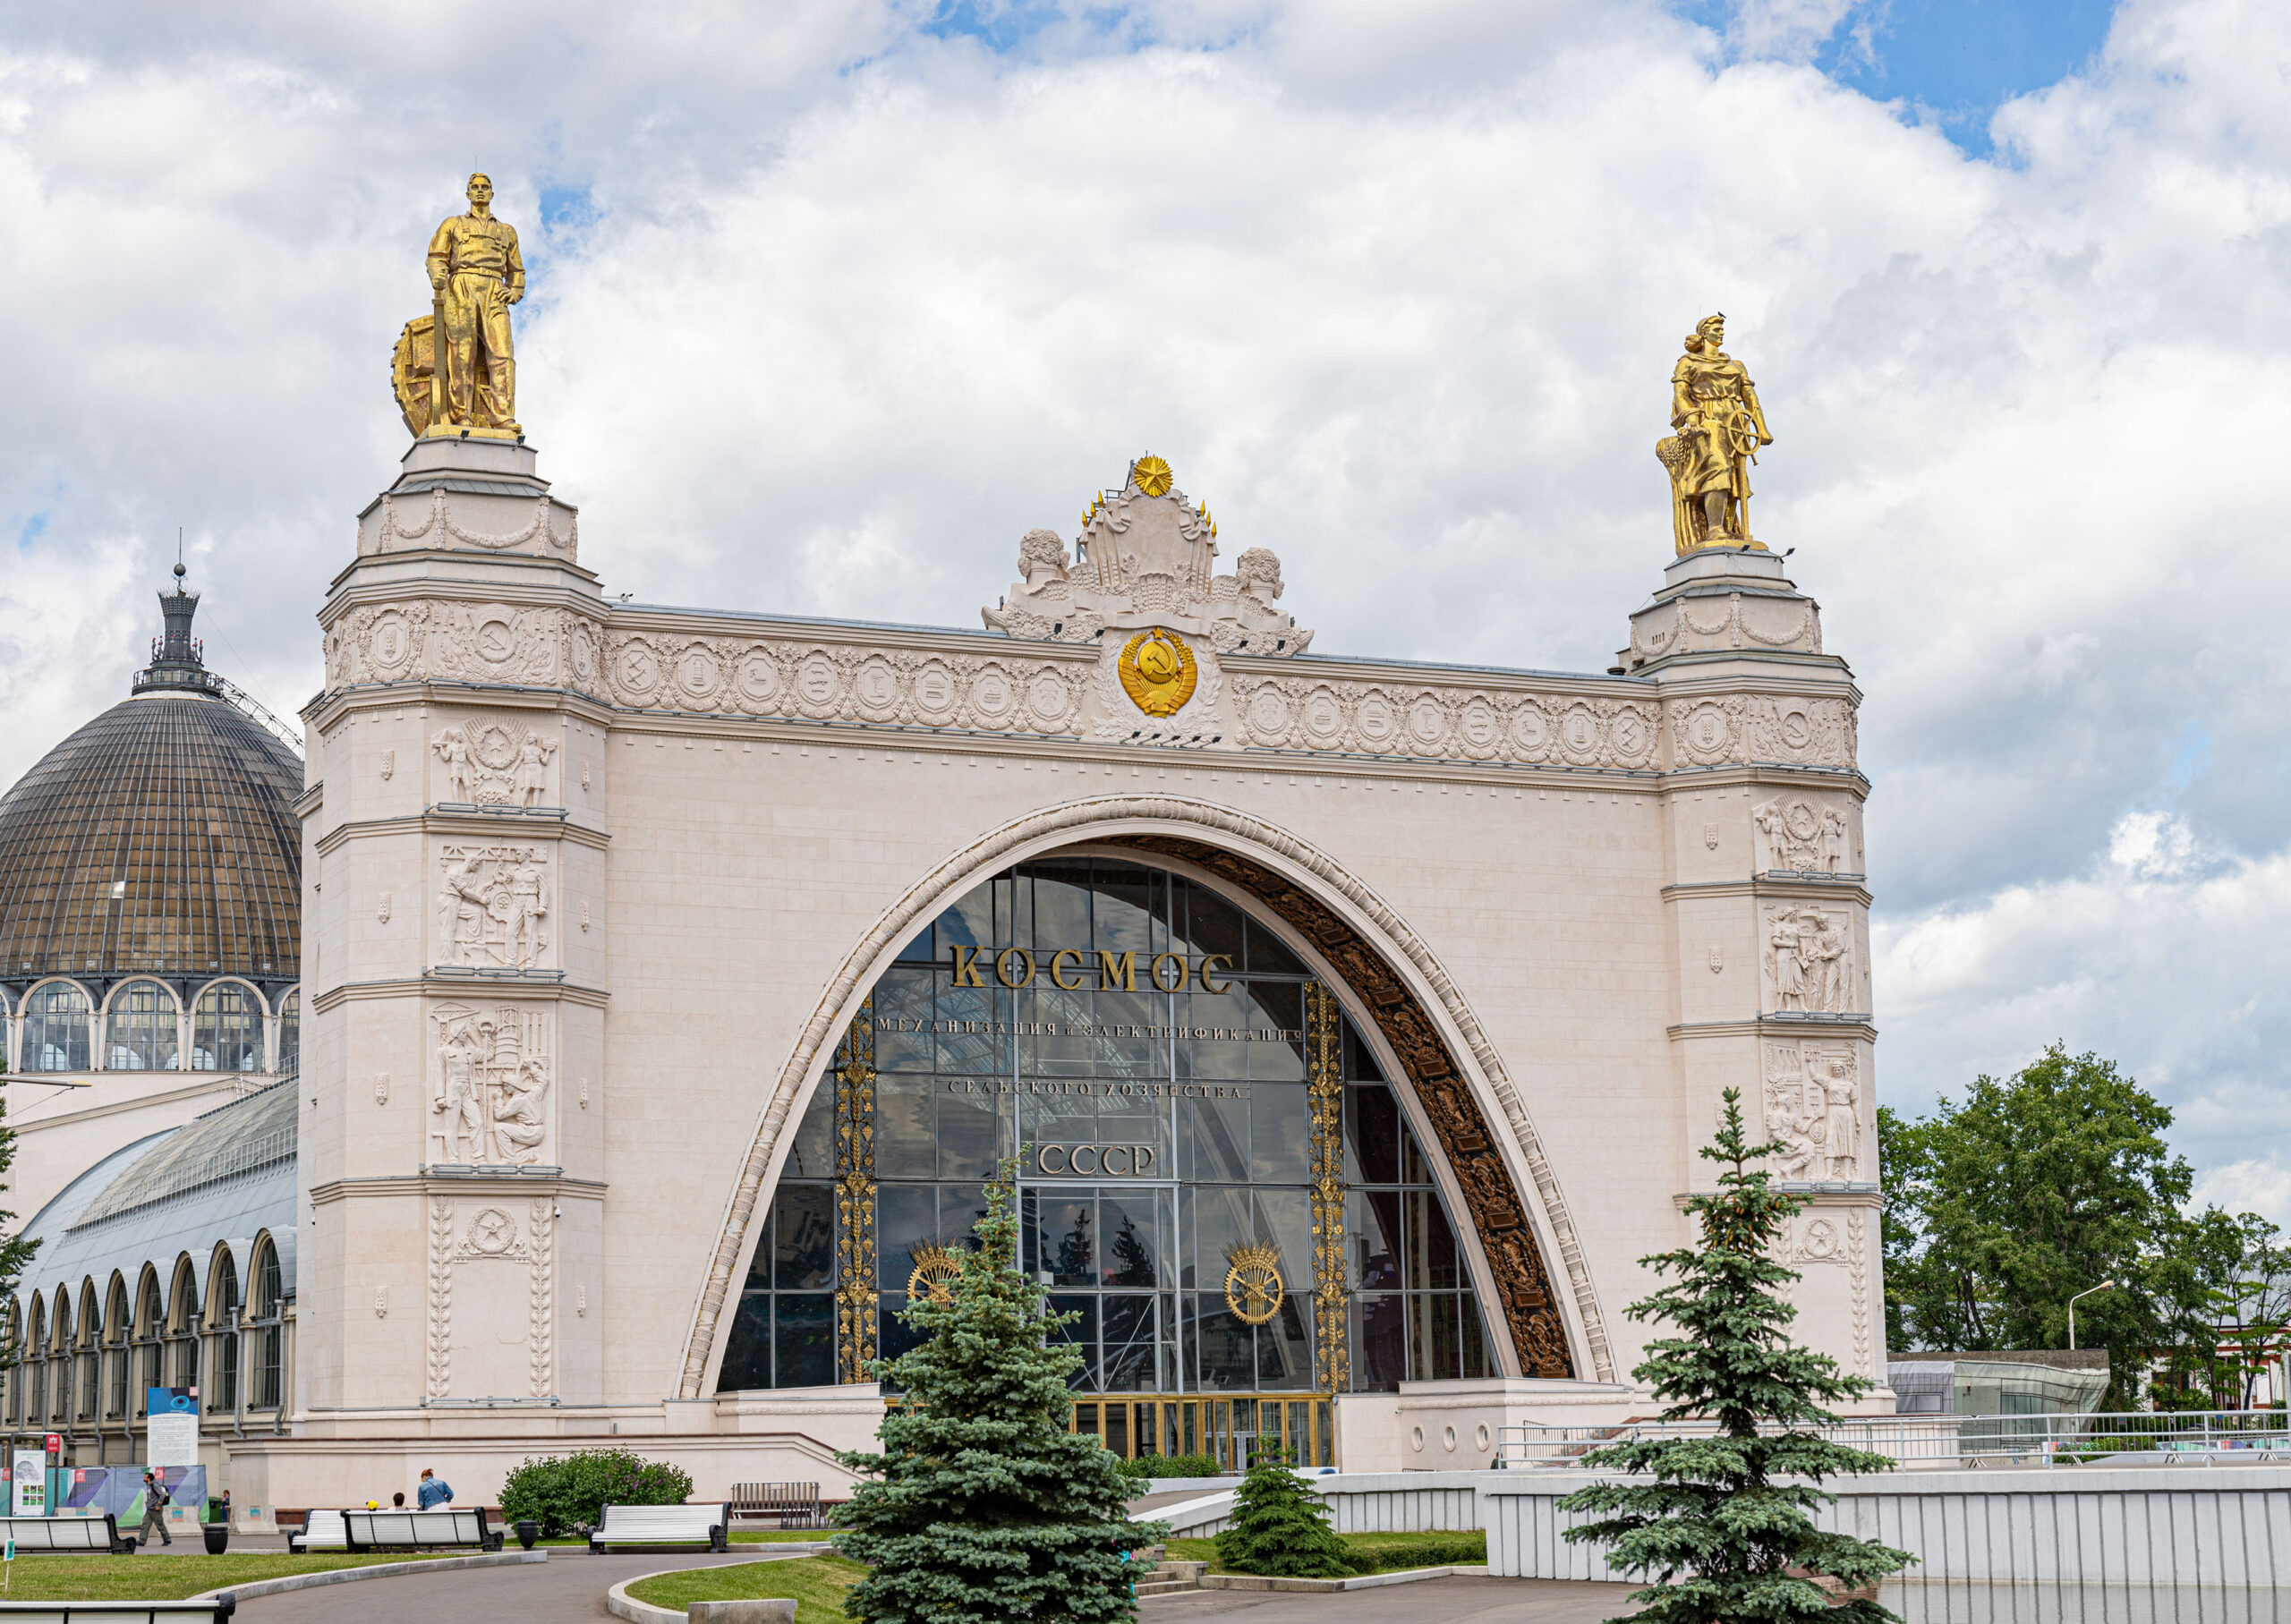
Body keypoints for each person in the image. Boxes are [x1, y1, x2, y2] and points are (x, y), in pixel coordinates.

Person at [139, 1471, 173, 1547]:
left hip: (155, 1509)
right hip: (149, 1509)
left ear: (149, 1478)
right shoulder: (148, 1485)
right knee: (145, 1525)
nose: (144, 1478)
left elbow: (162, 1495)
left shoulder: (155, 1485)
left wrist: (158, 1504)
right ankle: (142, 1541)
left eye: (145, 1477)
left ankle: (167, 1540)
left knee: (160, 1525)